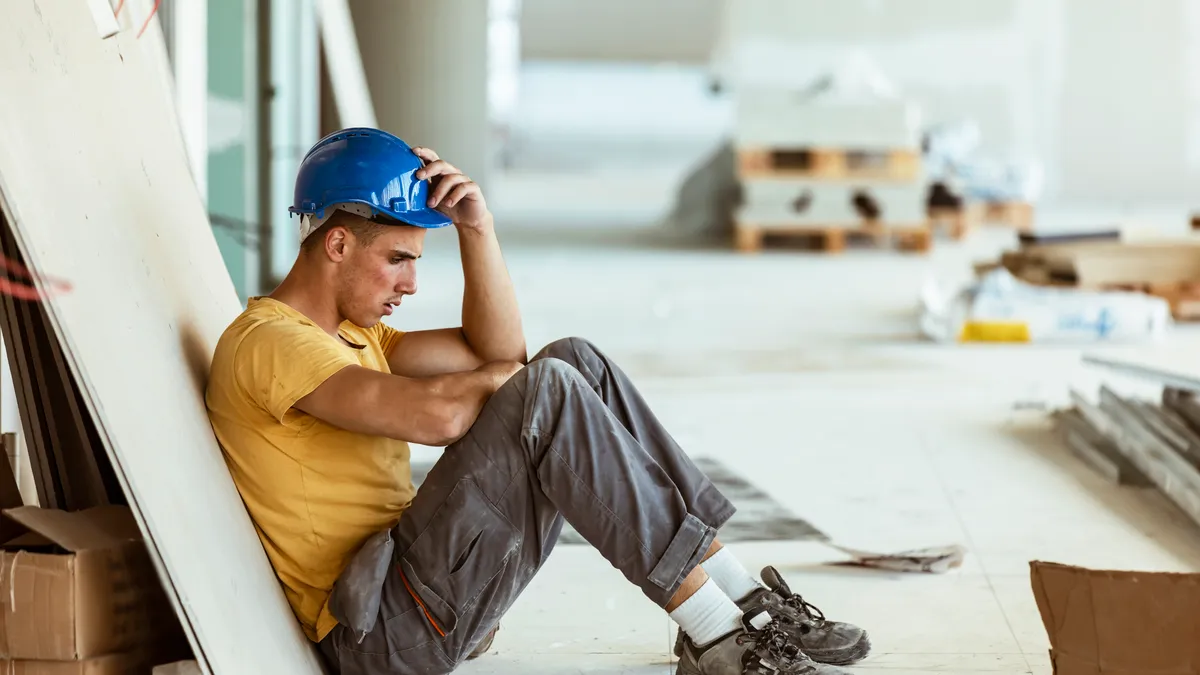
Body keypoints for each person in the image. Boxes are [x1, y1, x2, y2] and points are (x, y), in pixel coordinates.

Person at [205, 128, 871, 675]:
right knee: (547, 388)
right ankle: (717, 635)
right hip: (379, 631)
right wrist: (517, 386)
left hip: (421, 592)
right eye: (400, 259)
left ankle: (741, 599)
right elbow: (437, 416)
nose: (411, 282)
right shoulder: (270, 343)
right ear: (339, 242)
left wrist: (479, 228)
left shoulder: (356, 335)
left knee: (571, 359)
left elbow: (500, 352)